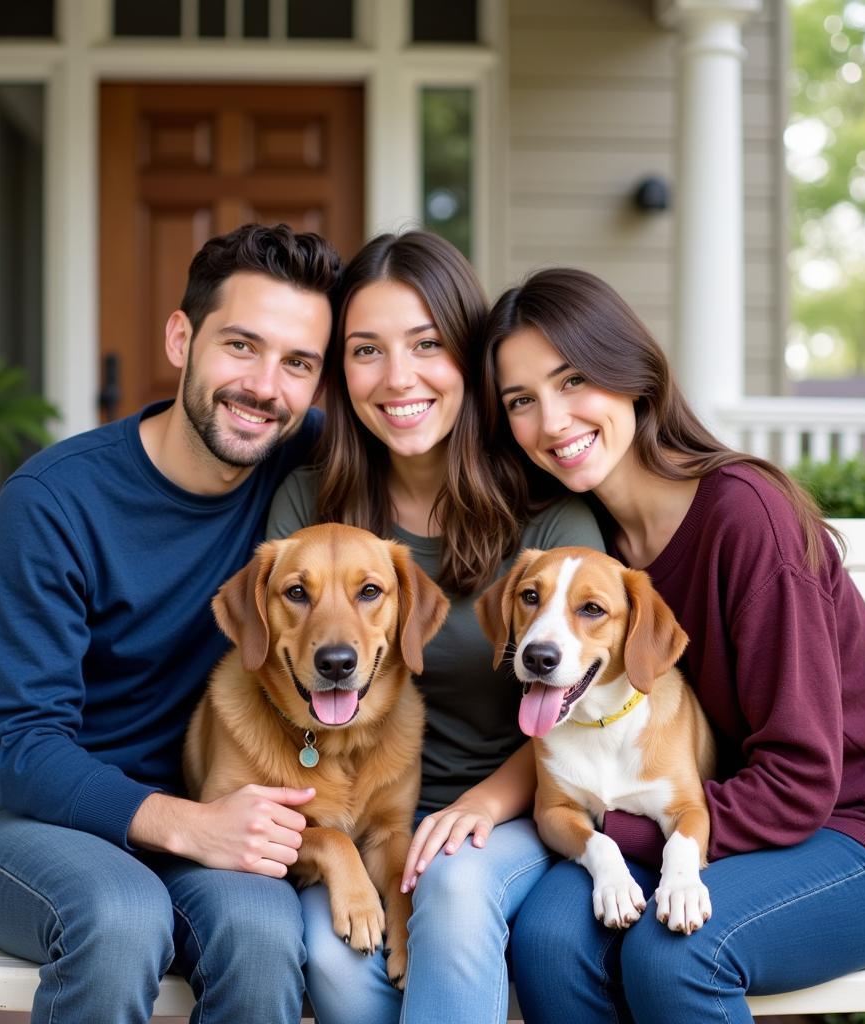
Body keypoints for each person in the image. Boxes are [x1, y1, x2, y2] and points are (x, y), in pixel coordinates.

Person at [480, 267, 865, 1024]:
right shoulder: (589, 548)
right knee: (546, 940)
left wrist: (631, 828)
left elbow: (804, 776)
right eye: (520, 401)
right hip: (719, 825)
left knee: (679, 952)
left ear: (632, 375)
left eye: (573, 380)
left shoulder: (747, 519)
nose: (551, 421)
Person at [0, 224, 343, 1024]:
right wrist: (191, 828)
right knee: (122, 920)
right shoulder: (58, 501)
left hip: (206, 814)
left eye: (298, 363)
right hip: (20, 815)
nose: (266, 386)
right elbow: (21, 746)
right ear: (181, 337)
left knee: (266, 937)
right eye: (241, 345)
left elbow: (435, 439)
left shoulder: (308, 464)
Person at [266, 231, 604, 1024]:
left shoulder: (548, 517)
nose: (398, 378)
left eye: (427, 345)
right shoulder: (310, 511)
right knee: (339, 966)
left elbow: (588, 710)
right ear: (339, 372)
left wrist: (480, 807)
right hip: (357, 820)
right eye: (365, 351)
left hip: (514, 811)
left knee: (452, 886)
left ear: (470, 358)